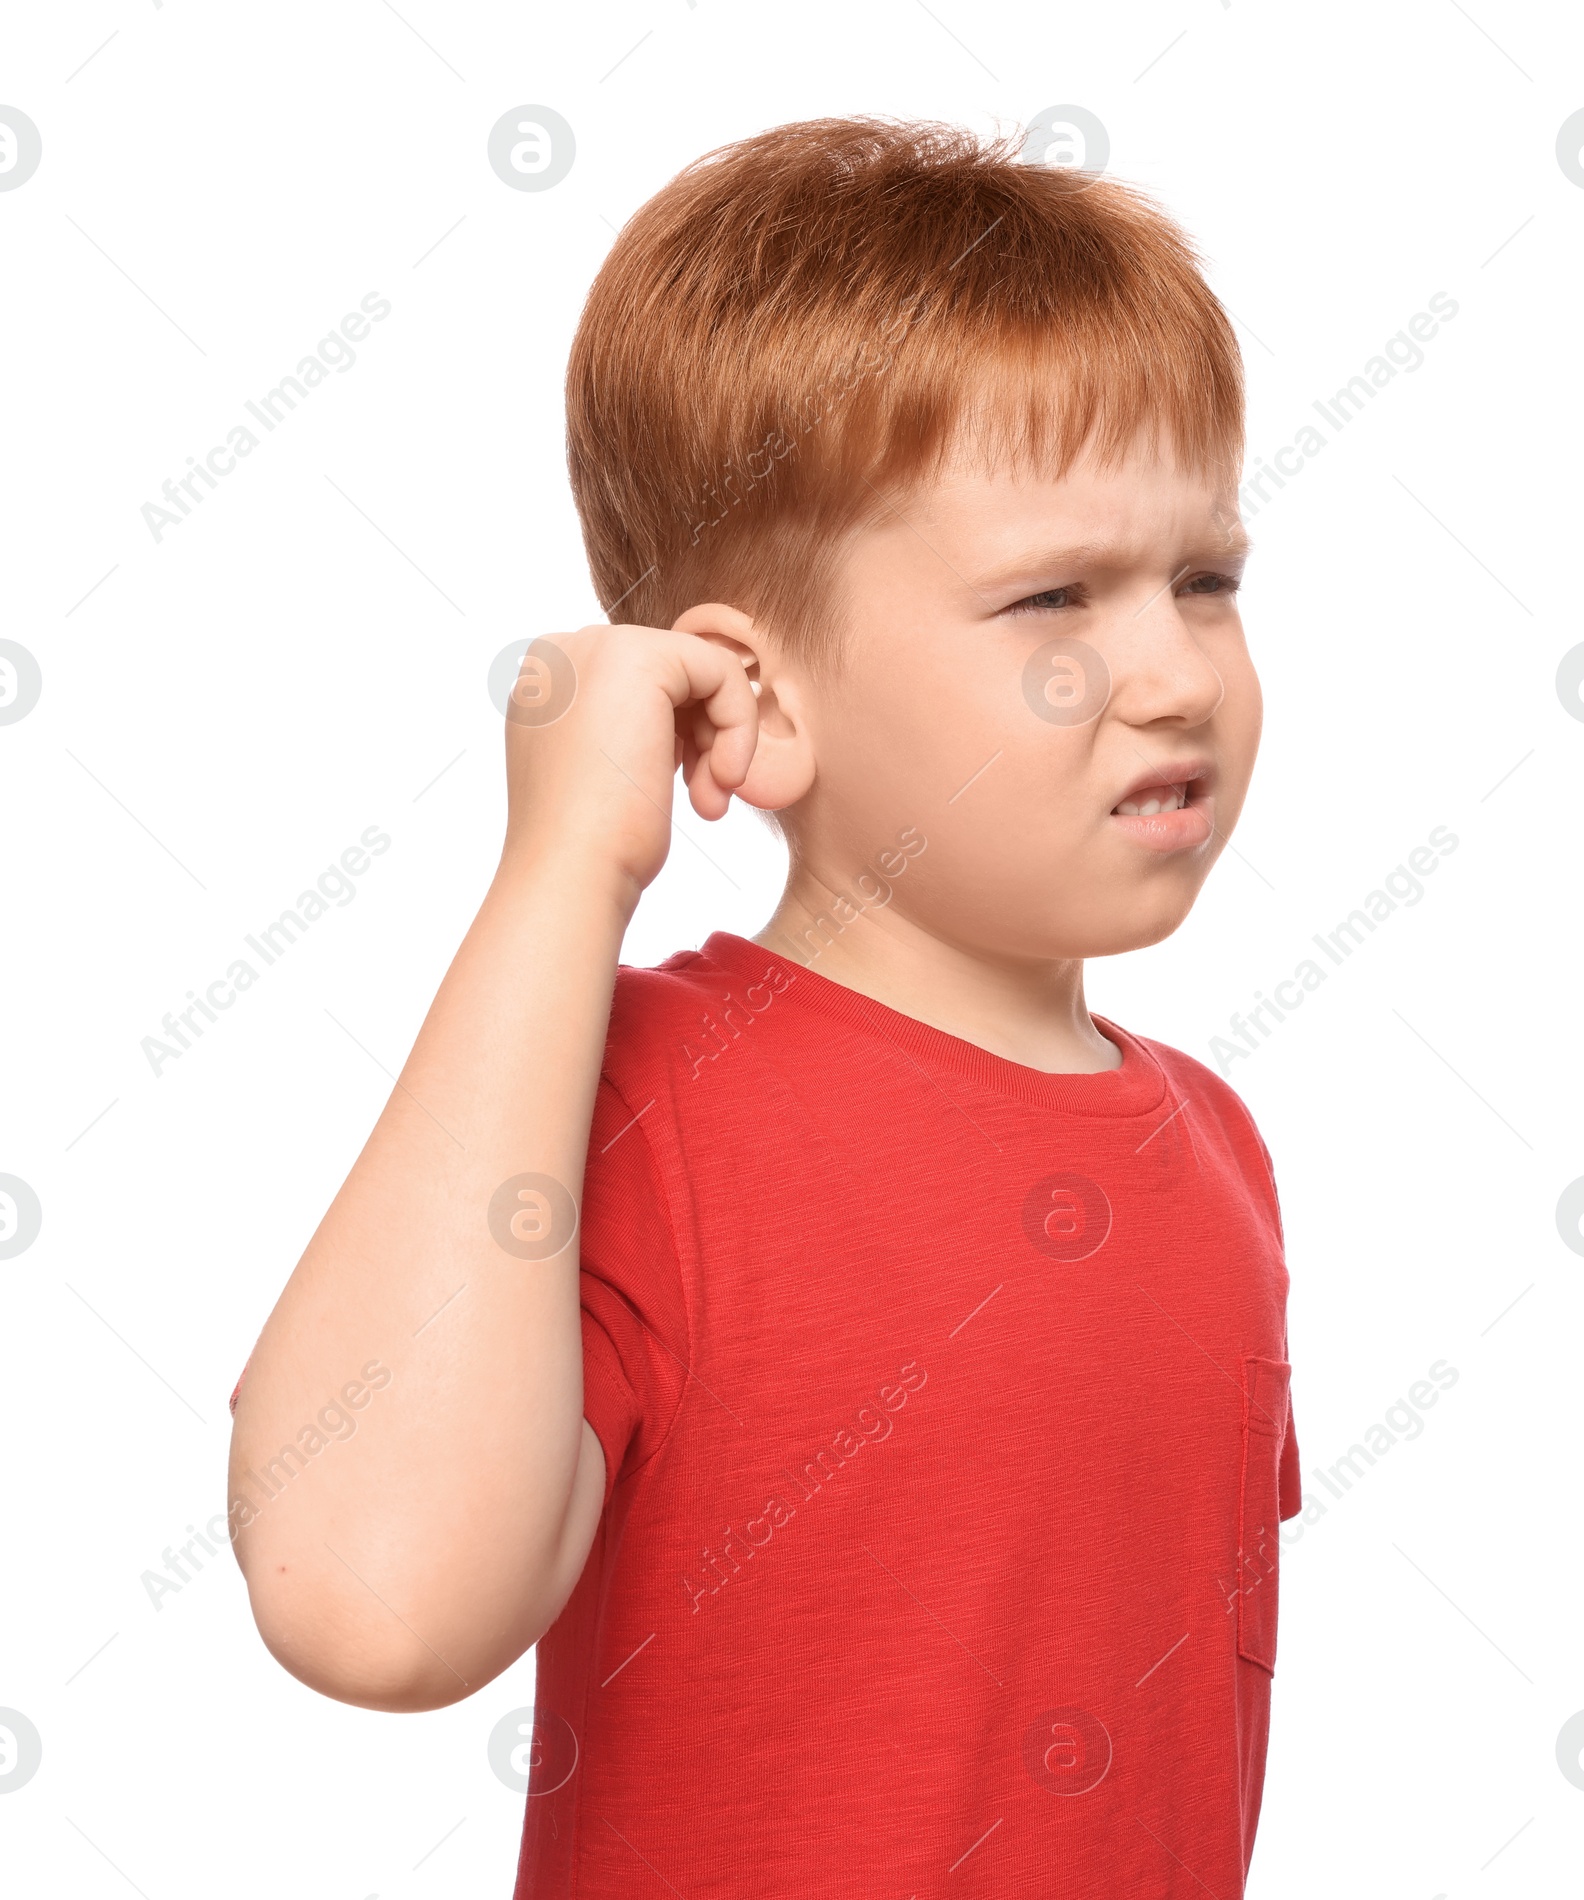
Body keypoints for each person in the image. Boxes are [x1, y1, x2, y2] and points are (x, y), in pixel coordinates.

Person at [227, 116, 1302, 1898]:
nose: (1178, 670)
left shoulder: (1223, 1153)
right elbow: (373, 1599)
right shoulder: (642, 1095)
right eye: (1055, 599)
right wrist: (562, 874)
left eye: (1205, 578)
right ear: (756, 697)